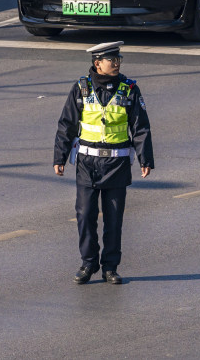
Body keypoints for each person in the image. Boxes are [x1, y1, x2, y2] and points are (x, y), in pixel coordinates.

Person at [53, 41, 154, 285]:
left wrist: (145, 158)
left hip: (117, 165)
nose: (117, 63)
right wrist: (60, 157)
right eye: (112, 60)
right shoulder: (81, 88)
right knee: (85, 214)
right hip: (88, 163)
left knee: (114, 218)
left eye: (119, 59)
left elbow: (140, 126)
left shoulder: (130, 90)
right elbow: (67, 124)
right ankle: (88, 264)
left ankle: (110, 267)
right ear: (98, 63)